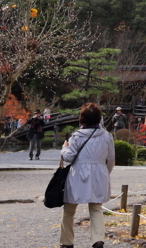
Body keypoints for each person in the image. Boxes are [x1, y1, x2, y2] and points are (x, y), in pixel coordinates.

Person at [59, 102, 115, 248]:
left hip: (77, 174)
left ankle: (67, 242)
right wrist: (104, 173)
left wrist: (64, 149)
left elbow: (69, 157)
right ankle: (97, 241)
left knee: (69, 210)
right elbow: (111, 160)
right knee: (96, 208)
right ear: (99, 119)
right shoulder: (107, 136)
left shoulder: (76, 136)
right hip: (99, 173)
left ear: (82, 119)